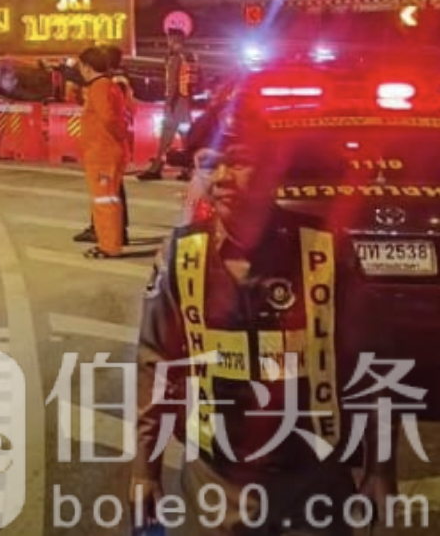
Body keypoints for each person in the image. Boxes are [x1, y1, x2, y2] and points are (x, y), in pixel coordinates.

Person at [131, 105, 399, 535]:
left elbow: (374, 362)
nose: (221, 178)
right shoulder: (180, 256)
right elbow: (155, 363)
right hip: (214, 481)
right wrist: (145, 470)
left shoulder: (325, 251)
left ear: (274, 168)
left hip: (313, 476)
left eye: (239, 161)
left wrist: (381, 467)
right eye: (209, 163)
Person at [77, 45, 130, 258]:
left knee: (104, 200)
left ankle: (108, 246)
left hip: (102, 154)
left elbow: (109, 118)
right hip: (107, 152)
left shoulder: (99, 87)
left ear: (88, 67)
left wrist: (117, 136)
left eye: (81, 66)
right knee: (109, 199)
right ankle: (111, 241)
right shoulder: (110, 86)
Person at [139, 30, 198, 182]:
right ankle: (188, 170)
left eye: (169, 39)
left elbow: (173, 83)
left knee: (167, 136)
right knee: (185, 137)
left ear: (174, 39)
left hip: (176, 102)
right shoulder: (190, 56)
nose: (168, 42)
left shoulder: (175, 58)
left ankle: (156, 168)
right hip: (185, 102)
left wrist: (169, 103)